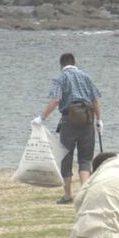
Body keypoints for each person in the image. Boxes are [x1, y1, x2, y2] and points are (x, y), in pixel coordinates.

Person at [32, 53, 103, 204]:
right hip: (88, 119)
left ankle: (67, 195)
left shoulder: (60, 78)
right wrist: (99, 120)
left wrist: (42, 117)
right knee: (85, 159)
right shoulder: (86, 76)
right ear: (74, 62)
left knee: (66, 157)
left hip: (68, 121)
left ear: (61, 65)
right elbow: (96, 100)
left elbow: (56, 99)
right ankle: (84, 193)